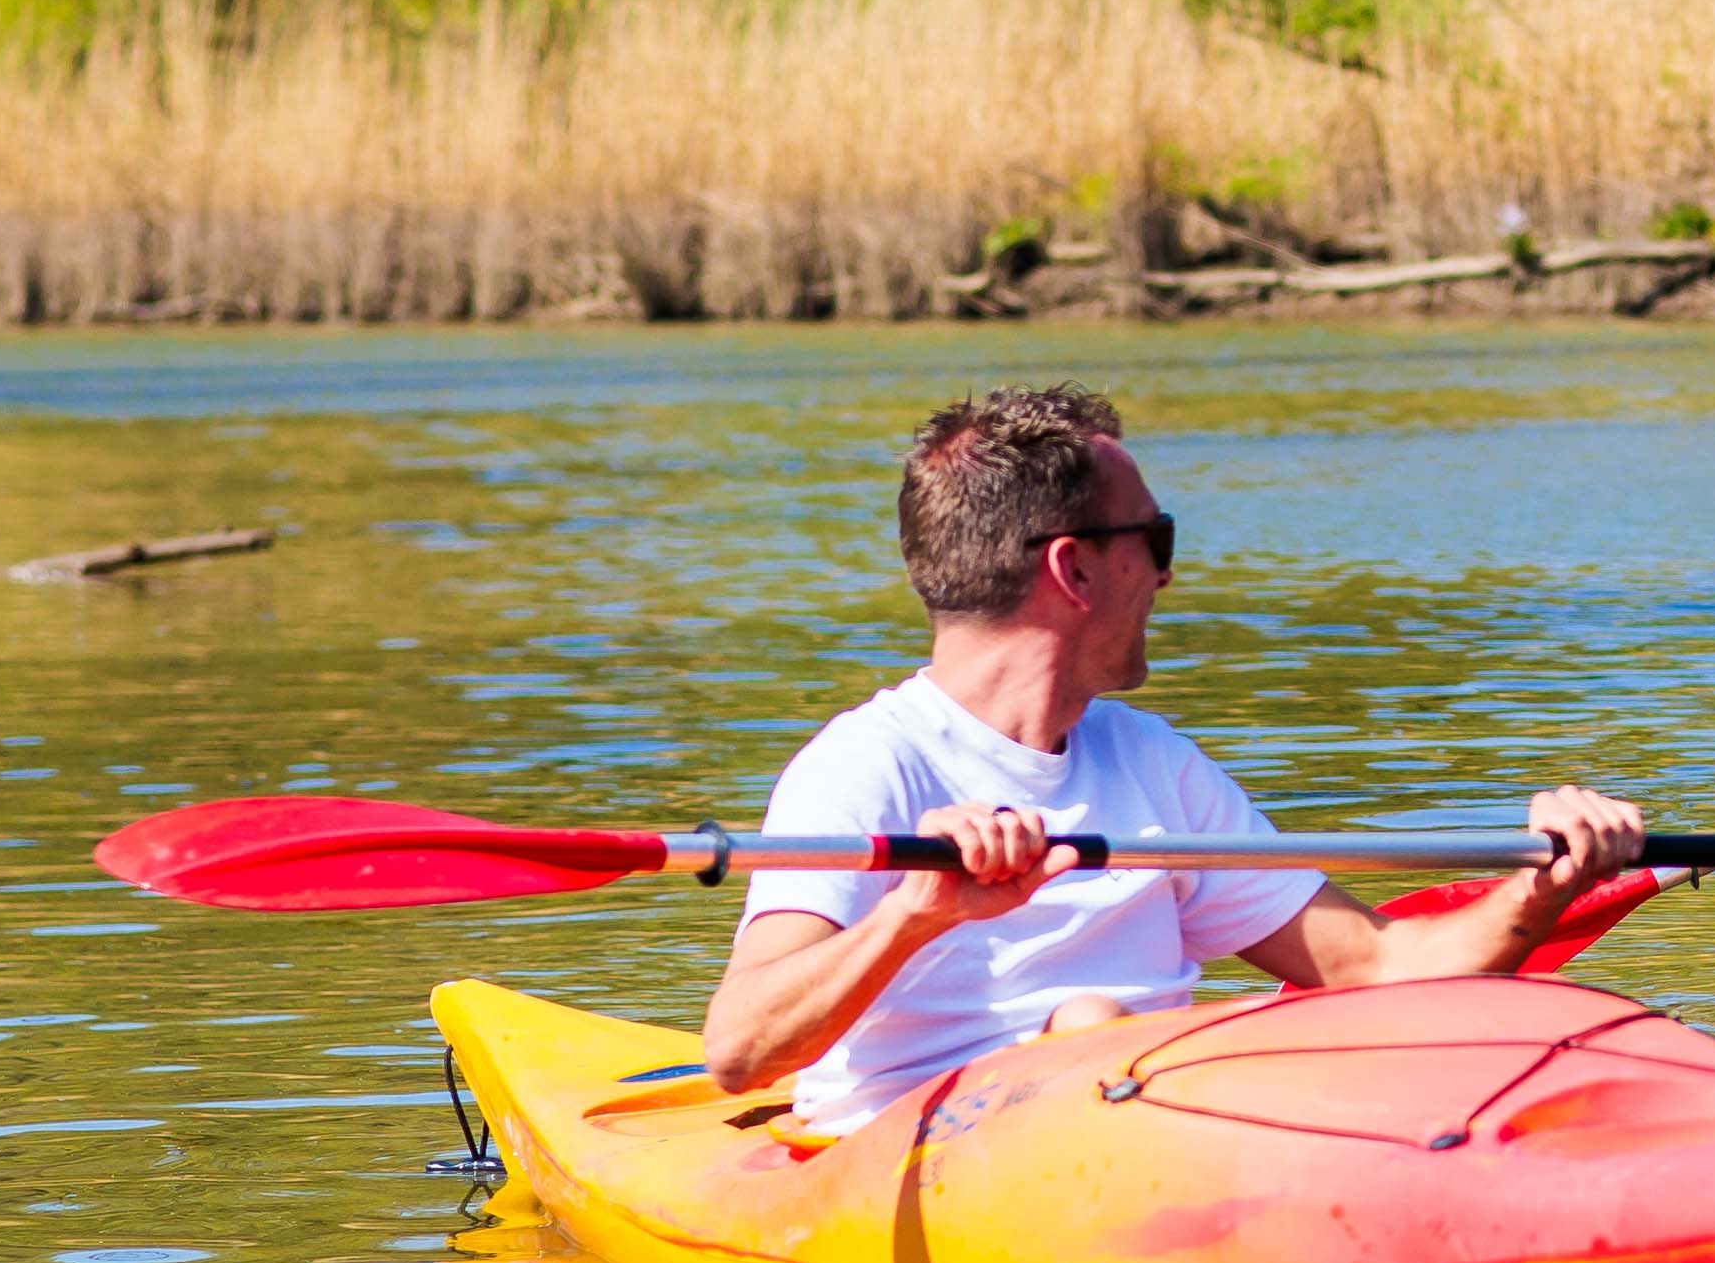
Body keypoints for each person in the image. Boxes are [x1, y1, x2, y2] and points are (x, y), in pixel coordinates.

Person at [703, 384, 1645, 1120]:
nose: (1165, 572)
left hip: (1149, 1118)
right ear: (1074, 568)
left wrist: (1543, 885)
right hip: (933, 1156)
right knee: (1094, 1024)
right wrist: (916, 912)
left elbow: (1371, 965)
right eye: (1154, 539)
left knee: (1137, 1031)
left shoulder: (1150, 762)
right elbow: (740, 1050)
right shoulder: (865, 770)